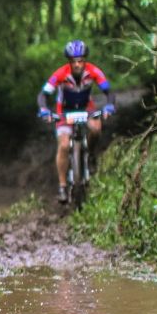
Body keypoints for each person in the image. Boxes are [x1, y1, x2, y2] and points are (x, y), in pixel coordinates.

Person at [37, 39, 115, 203]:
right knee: (64, 145)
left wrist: (109, 106)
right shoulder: (60, 73)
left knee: (96, 128)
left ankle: (91, 155)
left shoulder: (94, 71)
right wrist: (44, 110)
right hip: (64, 111)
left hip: (87, 108)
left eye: (80, 61)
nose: (78, 65)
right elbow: (43, 94)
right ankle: (63, 186)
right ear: (69, 62)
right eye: (74, 62)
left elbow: (109, 91)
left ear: (85, 60)